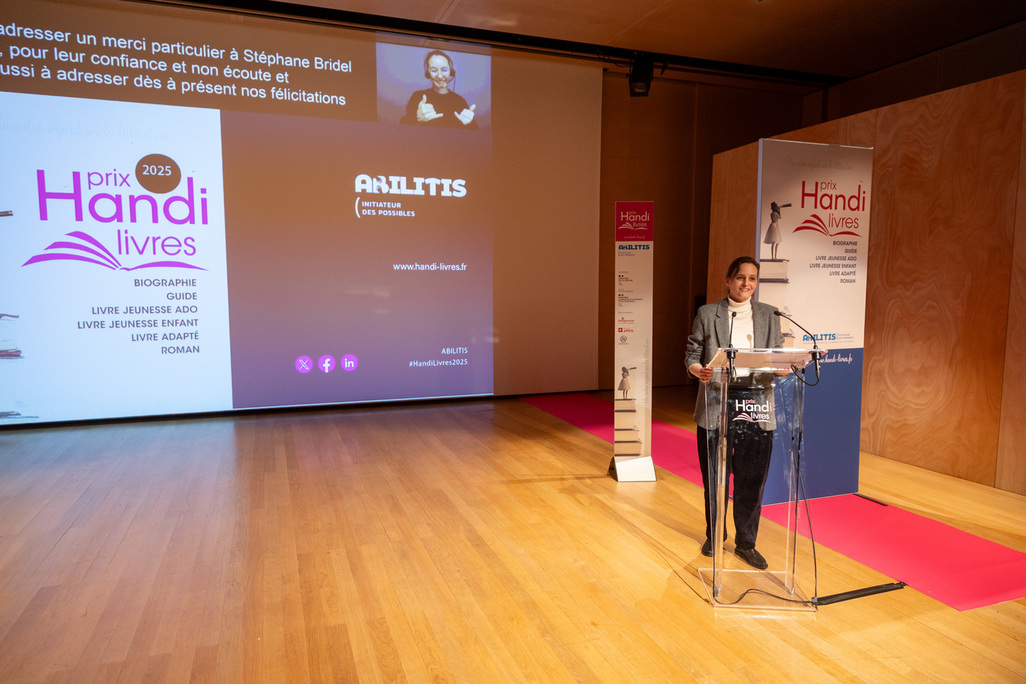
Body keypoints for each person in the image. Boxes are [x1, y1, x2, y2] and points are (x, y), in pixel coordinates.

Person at [685, 256, 785, 570]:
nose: (746, 284)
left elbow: (778, 353)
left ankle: (746, 543)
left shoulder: (770, 314)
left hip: (756, 402)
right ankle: (715, 534)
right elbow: (692, 353)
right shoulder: (708, 313)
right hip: (717, 400)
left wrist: (783, 367)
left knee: (752, 479)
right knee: (715, 477)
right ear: (729, 280)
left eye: (752, 278)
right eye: (741, 277)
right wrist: (697, 369)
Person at [401, 50, 478, 129]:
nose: (440, 76)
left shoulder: (460, 101)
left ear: (451, 72)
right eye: (434, 70)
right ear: (428, 74)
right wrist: (417, 119)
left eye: (444, 70)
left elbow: (475, 133)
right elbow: (403, 129)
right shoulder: (417, 97)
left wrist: (468, 125)